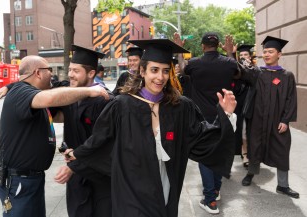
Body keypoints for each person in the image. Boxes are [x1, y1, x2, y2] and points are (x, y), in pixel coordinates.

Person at [63, 39, 237, 217]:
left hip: (165, 182)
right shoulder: (122, 106)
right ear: (142, 71)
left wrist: (226, 116)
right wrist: (77, 155)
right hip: (131, 187)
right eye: (154, 70)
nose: (160, 77)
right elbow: (100, 140)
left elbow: (201, 138)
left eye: (165, 71)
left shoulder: (180, 107)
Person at [0, 55, 109, 217]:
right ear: (38, 73)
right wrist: (90, 91)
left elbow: (60, 98)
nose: (53, 75)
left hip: (31, 178)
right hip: (19, 179)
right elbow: (51, 97)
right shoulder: (22, 92)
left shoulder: (29, 92)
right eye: (49, 70)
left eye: (74, 70)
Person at [181, 32, 239, 214]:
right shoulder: (229, 63)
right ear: (218, 44)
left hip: (202, 117)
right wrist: (230, 53)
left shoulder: (195, 63)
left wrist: (179, 52)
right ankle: (215, 189)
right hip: (224, 113)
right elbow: (238, 72)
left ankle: (210, 200)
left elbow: (182, 70)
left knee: (205, 156)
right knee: (219, 151)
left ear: (203, 46)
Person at [53, 45, 113, 217]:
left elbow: (104, 144)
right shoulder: (70, 94)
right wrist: (11, 87)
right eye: (70, 69)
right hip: (76, 177)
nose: (70, 74)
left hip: (100, 177)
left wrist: (74, 166)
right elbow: (40, 89)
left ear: (91, 73)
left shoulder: (104, 101)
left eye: (76, 71)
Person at [240, 36, 299, 199]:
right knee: (255, 146)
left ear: (279, 54)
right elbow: (242, 73)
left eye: (270, 51)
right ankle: (250, 175)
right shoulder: (257, 73)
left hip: (277, 121)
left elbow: (291, 99)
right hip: (257, 119)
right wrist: (232, 55)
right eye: (264, 51)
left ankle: (283, 185)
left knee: (281, 150)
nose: (266, 54)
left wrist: (285, 120)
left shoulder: (287, 76)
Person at [233, 44, 255, 168]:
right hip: (240, 104)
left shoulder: (255, 69)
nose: (243, 57)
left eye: (245, 54)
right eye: (241, 55)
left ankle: (248, 152)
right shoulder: (237, 70)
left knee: (249, 131)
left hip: (252, 103)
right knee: (242, 131)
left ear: (250, 57)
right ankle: (244, 153)